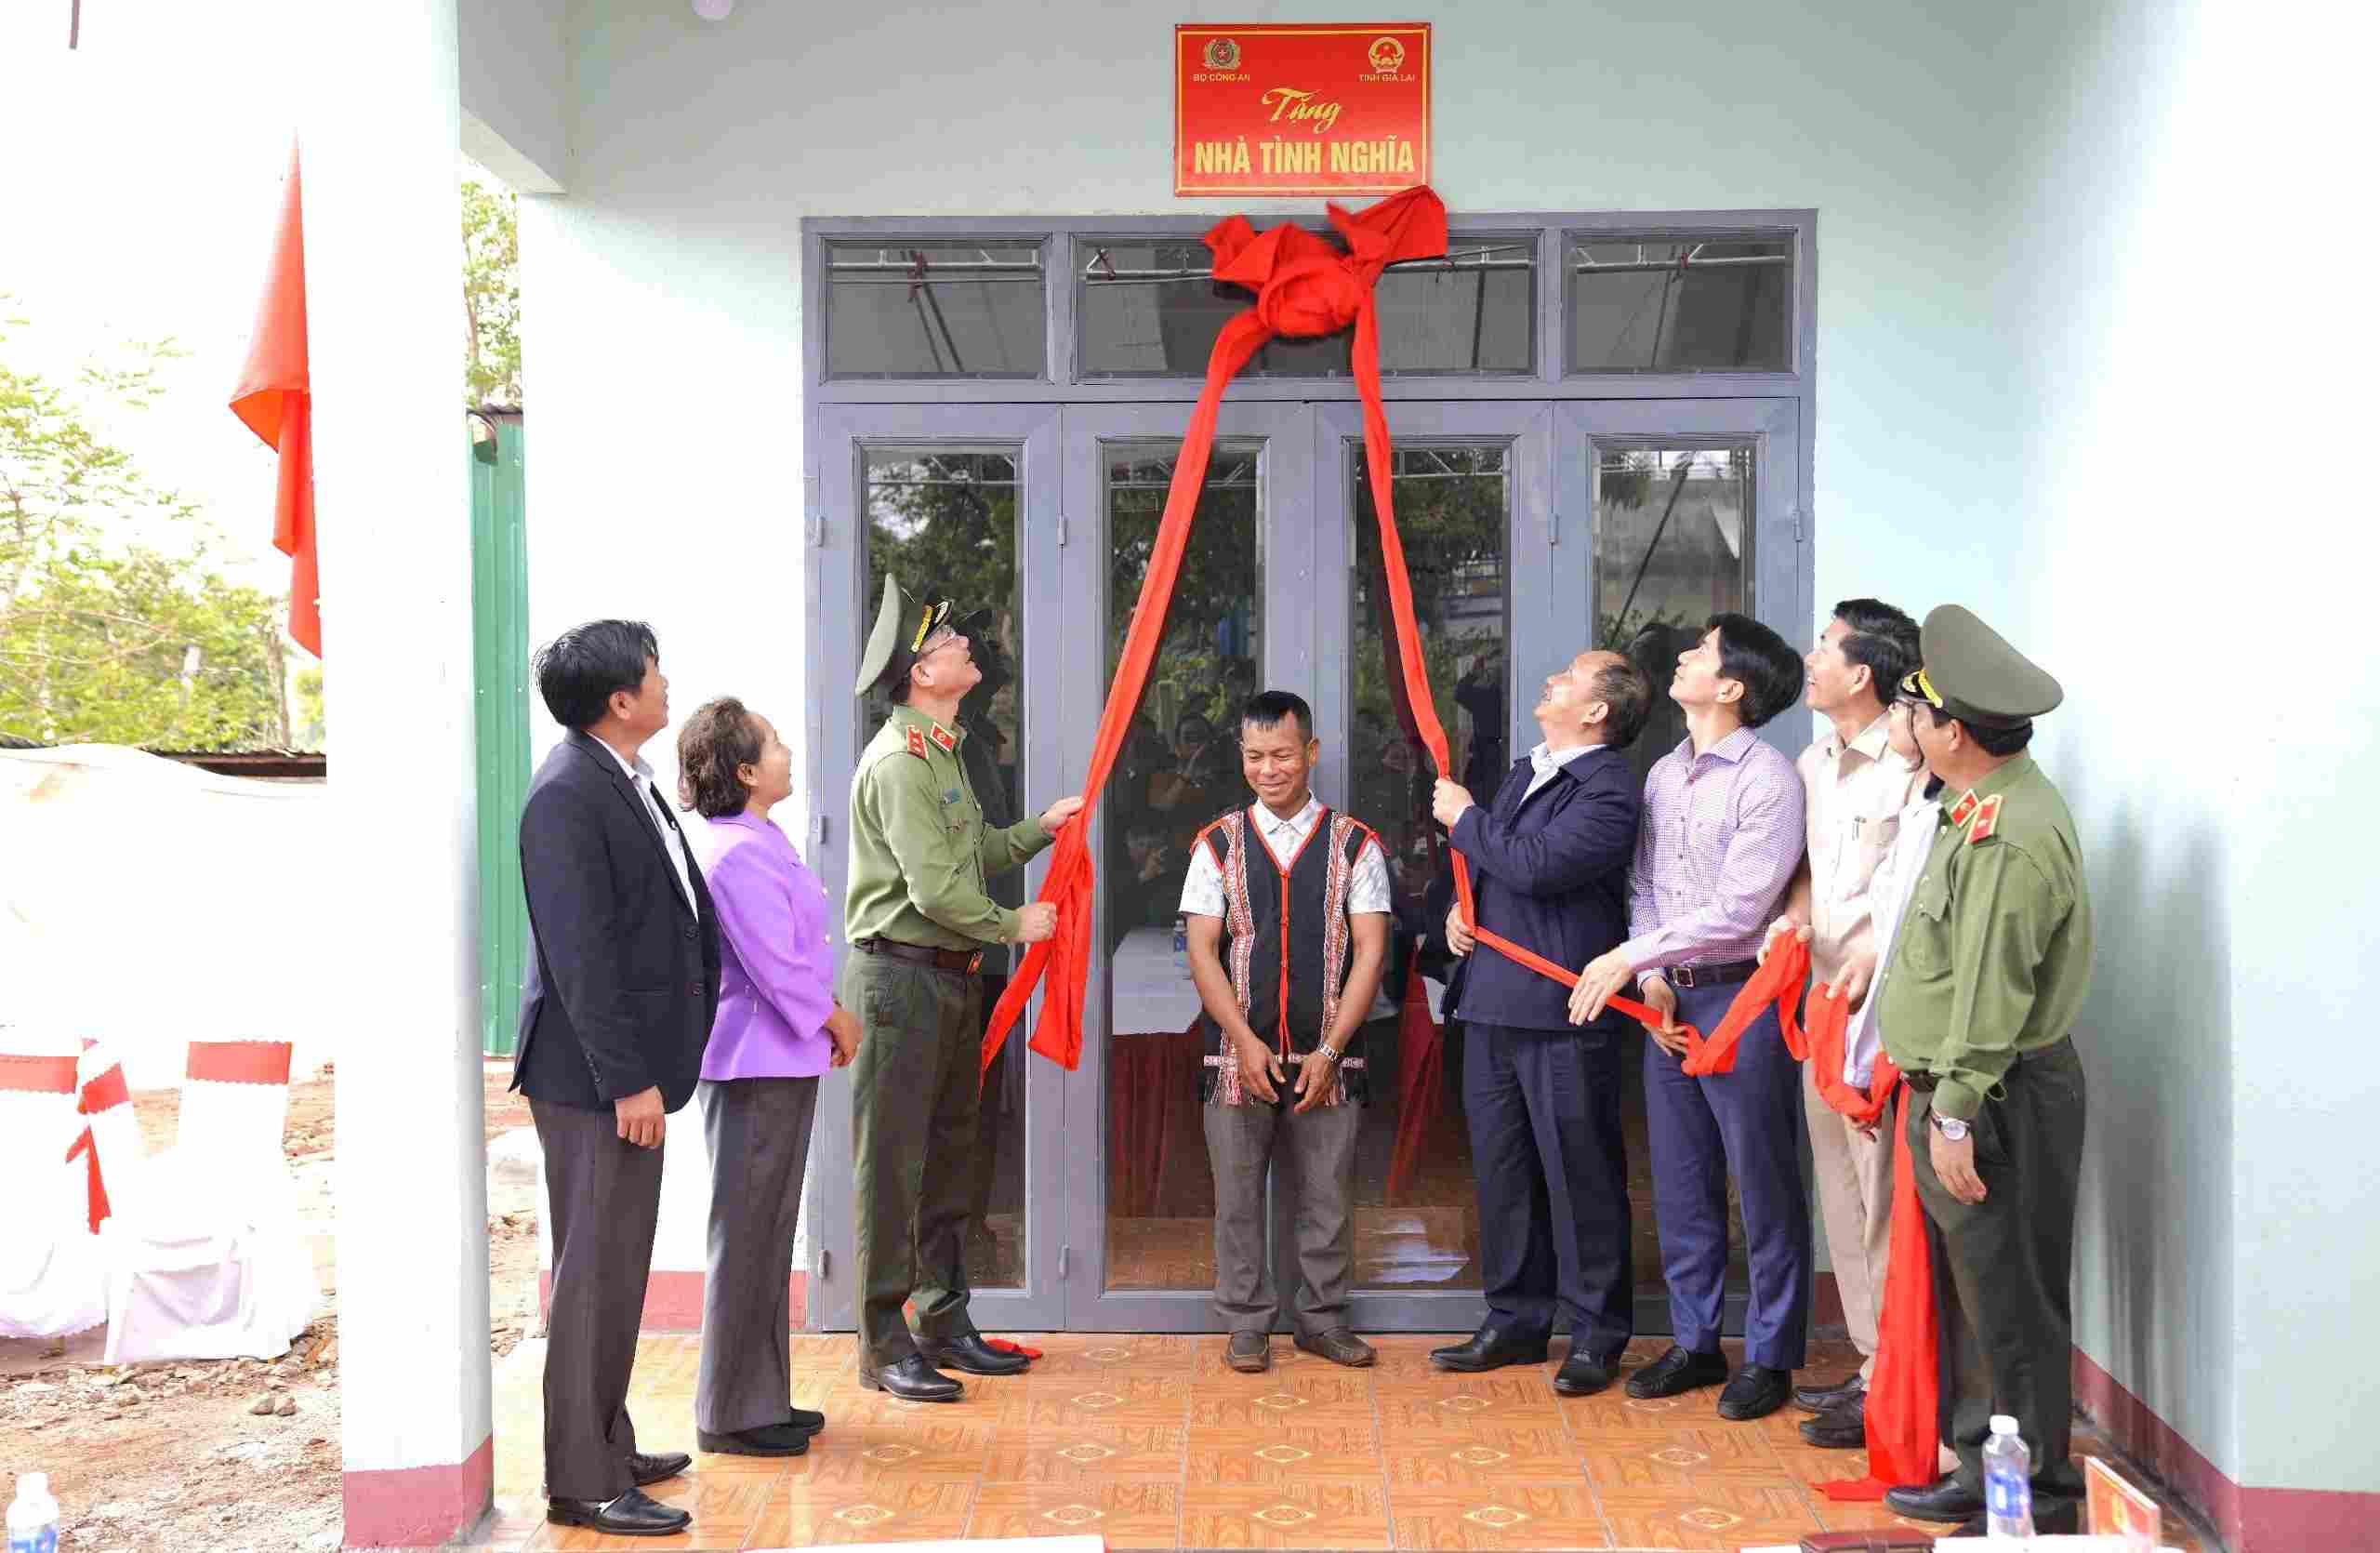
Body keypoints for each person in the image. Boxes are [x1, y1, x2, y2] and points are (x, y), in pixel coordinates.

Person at [1875, 607, 2092, 1538]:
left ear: (1950, 732)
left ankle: (2034, 1491)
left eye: (1913, 710)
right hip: (1968, 1089)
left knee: (2010, 1298)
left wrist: (1954, 1109)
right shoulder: (1982, 808)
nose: (1907, 725)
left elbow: (1990, 994)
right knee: (1978, 1292)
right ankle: (1983, 1458)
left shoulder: (2005, 832)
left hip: (1992, 1094)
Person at [843, 576, 1083, 1402]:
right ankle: (881, 1343)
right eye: (949, 642)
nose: (965, 647)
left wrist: (1035, 834)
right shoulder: (901, 762)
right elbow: (937, 892)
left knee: (948, 1161)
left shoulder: (941, 750)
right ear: (919, 673)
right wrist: (1017, 927)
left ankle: (942, 1320)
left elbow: (971, 850)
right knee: (893, 1168)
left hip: (944, 979)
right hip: (901, 980)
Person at [1569, 614, 1810, 1422]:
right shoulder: (1664, 773)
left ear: (1733, 687)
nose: (1683, 657)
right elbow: (1644, 884)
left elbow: (1742, 907)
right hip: (1674, 998)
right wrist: (1658, 974)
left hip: (1746, 999)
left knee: (1763, 1182)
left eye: (1702, 653)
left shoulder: (1769, 780)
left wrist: (1631, 960)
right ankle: (1696, 1342)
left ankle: (1771, 1356)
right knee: (1682, 1179)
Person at [511, 620, 718, 1536]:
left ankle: (609, 1437)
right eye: (652, 672)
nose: (667, 683)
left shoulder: (620, 779)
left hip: (624, 1074)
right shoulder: (565, 794)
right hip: (593, 1079)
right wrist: (629, 1078)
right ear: (619, 700)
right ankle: (582, 1481)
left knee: (617, 1269)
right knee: (592, 1276)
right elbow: (579, 958)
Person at [1425, 650, 1650, 1397]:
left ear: (1596, 711)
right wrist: (1467, 908)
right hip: (1493, 997)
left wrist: (1465, 822)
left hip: (1559, 1010)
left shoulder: (1612, 788)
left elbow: (1542, 865)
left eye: (1570, 676)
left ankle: (1594, 1332)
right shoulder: (1531, 769)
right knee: (1505, 1171)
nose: (1551, 677)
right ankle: (1515, 1318)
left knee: (1580, 1171)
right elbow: (1502, 869)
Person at [1182, 691, 1390, 1374]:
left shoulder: (1357, 844)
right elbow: (1202, 951)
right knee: (1237, 1198)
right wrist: (1242, 1040)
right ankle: (1246, 1322)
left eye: (1282, 755)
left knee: (1327, 1196)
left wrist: (1331, 1049)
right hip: (1237, 1055)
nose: (1269, 769)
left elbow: (1370, 953)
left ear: (1312, 754)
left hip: (1333, 1055)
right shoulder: (1215, 844)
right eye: (1254, 756)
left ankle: (1322, 1320)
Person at [1759, 600, 1925, 1446]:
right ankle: (1870, 1369)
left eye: (1824, 647)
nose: (1810, 659)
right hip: (1823, 1009)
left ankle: (1904, 1376)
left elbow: (1920, 896)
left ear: (1862, 673)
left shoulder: (1912, 767)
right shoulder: (1813, 761)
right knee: (1842, 1195)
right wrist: (1793, 919)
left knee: (1888, 1207)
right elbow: (1808, 874)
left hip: (1887, 1016)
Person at [674, 697, 859, 1458]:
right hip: (756, 1060)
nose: (788, 753)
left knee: (764, 1233)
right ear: (746, 771)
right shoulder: (738, 851)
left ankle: (759, 1399)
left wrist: (823, 1015)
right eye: (776, 745)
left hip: (775, 1057)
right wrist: (833, 1017)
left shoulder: (753, 837)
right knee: (747, 1236)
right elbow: (774, 962)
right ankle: (728, 1413)